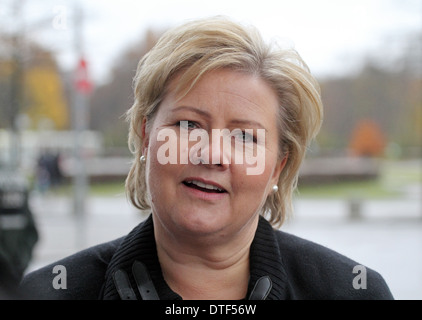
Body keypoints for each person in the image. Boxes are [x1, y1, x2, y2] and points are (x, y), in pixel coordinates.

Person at [19, 16, 394, 300]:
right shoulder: (47, 293)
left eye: (245, 136)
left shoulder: (352, 292)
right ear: (147, 136)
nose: (212, 153)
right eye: (187, 124)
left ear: (278, 166)